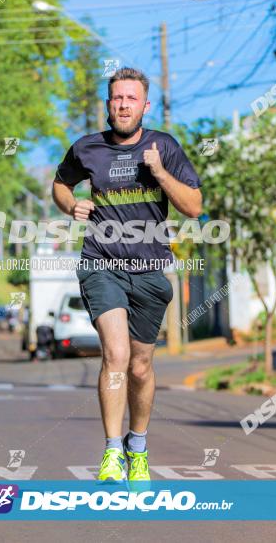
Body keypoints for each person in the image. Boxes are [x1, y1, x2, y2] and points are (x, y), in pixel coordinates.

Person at [52, 67, 202, 485]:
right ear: (108, 104)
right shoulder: (87, 148)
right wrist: (72, 205)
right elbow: (61, 185)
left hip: (150, 269)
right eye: (116, 98)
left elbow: (193, 206)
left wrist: (159, 172)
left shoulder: (165, 147)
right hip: (101, 263)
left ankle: (138, 446)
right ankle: (113, 451)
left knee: (140, 366)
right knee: (116, 355)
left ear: (144, 105)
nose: (122, 105)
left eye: (130, 99)